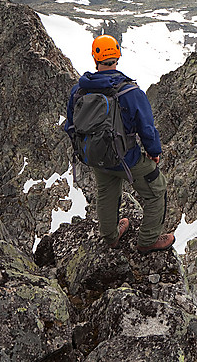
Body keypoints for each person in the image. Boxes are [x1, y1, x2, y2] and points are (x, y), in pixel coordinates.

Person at [64, 34, 175, 253]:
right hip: (127, 158)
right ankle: (148, 240)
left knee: (106, 191)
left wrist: (88, 148)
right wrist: (154, 153)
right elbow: (147, 129)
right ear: (118, 56)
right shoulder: (130, 91)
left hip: (96, 156)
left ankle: (111, 237)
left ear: (94, 57)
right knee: (157, 188)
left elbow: (71, 125)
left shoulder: (79, 91)